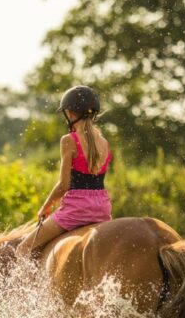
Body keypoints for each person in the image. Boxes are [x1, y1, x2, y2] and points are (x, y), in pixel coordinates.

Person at [16, 85, 113, 261]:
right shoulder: (104, 142)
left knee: (23, 249)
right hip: (102, 210)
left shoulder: (69, 141)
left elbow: (63, 185)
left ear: (69, 113)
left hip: (77, 210)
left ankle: (35, 289)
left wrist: (45, 207)